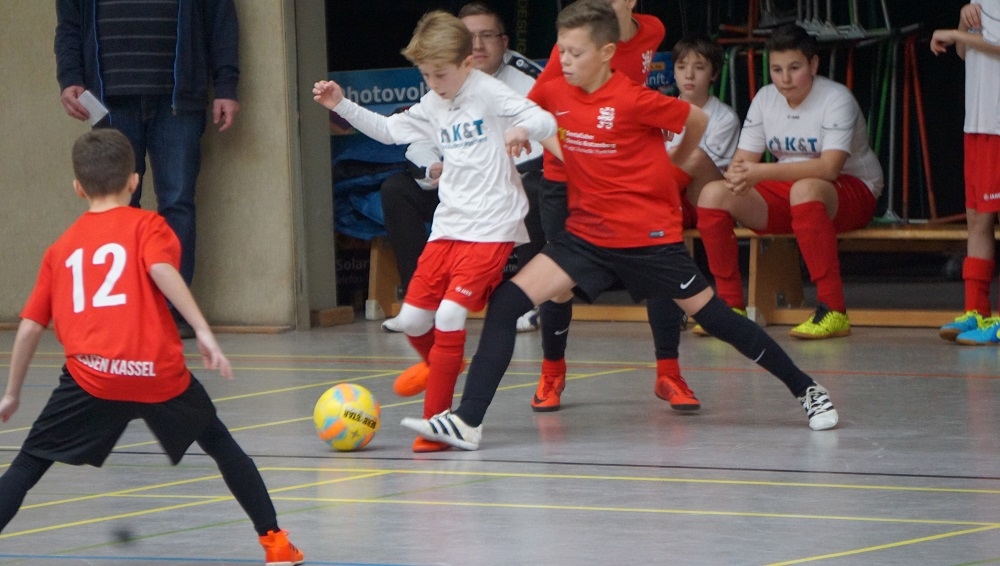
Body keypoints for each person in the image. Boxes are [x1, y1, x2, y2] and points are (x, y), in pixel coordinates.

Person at [400, 0, 840, 451]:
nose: (564, 61)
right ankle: (467, 421)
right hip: (586, 236)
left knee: (716, 319)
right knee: (507, 303)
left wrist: (675, 163)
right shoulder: (556, 90)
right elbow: (527, 115)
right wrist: (521, 130)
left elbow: (696, 119)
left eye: (575, 53)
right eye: (561, 51)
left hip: (647, 238)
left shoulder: (632, 98)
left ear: (607, 53)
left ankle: (807, 389)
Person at [0, 130, 302, 565]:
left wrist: (11, 394)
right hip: (157, 374)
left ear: (78, 187)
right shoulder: (148, 226)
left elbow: (30, 327)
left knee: (28, 464)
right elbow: (161, 269)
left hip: (92, 377)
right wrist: (202, 329)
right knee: (220, 444)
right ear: (134, 181)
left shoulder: (60, 249)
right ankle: (275, 544)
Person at [313, 11, 556, 452]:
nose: (433, 84)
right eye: (425, 75)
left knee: (448, 316)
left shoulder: (488, 92)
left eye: (440, 74)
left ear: (467, 63)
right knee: (411, 319)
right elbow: (389, 131)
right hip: (450, 224)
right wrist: (340, 105)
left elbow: (546, 121)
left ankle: (437, 422)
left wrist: (521, 127)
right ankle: (443, 364)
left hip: (492, 225)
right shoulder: (433, 102)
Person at [527, 0, 703, 414]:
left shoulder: (653, 30)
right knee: (559, 282)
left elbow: (629, 94)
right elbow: (532, 110)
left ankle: (669, 373)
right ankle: (552, 372)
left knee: (658, 272)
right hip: (566, 179)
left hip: (624, 178)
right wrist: (573, 155)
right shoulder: (571, 48)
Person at [55, 0, 241, 339]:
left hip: (179, 99)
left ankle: (171, 310)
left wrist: (226, 84)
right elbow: (68, 24)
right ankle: (123, 307)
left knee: (177, 202)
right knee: (115, 207)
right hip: (109, 99)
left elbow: (221, 20)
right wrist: (70, 77)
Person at [696, 24, 884, 340]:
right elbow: (743, 162)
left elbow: (829, 169)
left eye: (794, 68)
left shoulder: (836, 98)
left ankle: (833, 310)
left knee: (805, 188)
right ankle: (729, 307)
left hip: (854, 188)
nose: (784, 78)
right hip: (794, 193)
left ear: (813, 65)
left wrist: (760, 173)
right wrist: (738, 177)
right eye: (777, 69)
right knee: (713, 194)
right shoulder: (766, 98)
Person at [379, 1, 546, 334]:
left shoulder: (527, 80)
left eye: (487, 36)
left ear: (504, 42)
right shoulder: (443, 75)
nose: (477, 45)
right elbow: (419, 137)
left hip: (508, 184)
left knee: (532, 190)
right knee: (396, 190)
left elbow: (544, 135)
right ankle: (421, 303)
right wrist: (432, 166)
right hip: (457, 188)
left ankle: (530, 302)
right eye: (468, 37)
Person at [932, 1, 1000, 345]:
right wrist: (962, 24)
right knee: (977, 218)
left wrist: (957, 33)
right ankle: (976, 309)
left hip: (997, 126)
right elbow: (963, 53)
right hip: (978, 122)